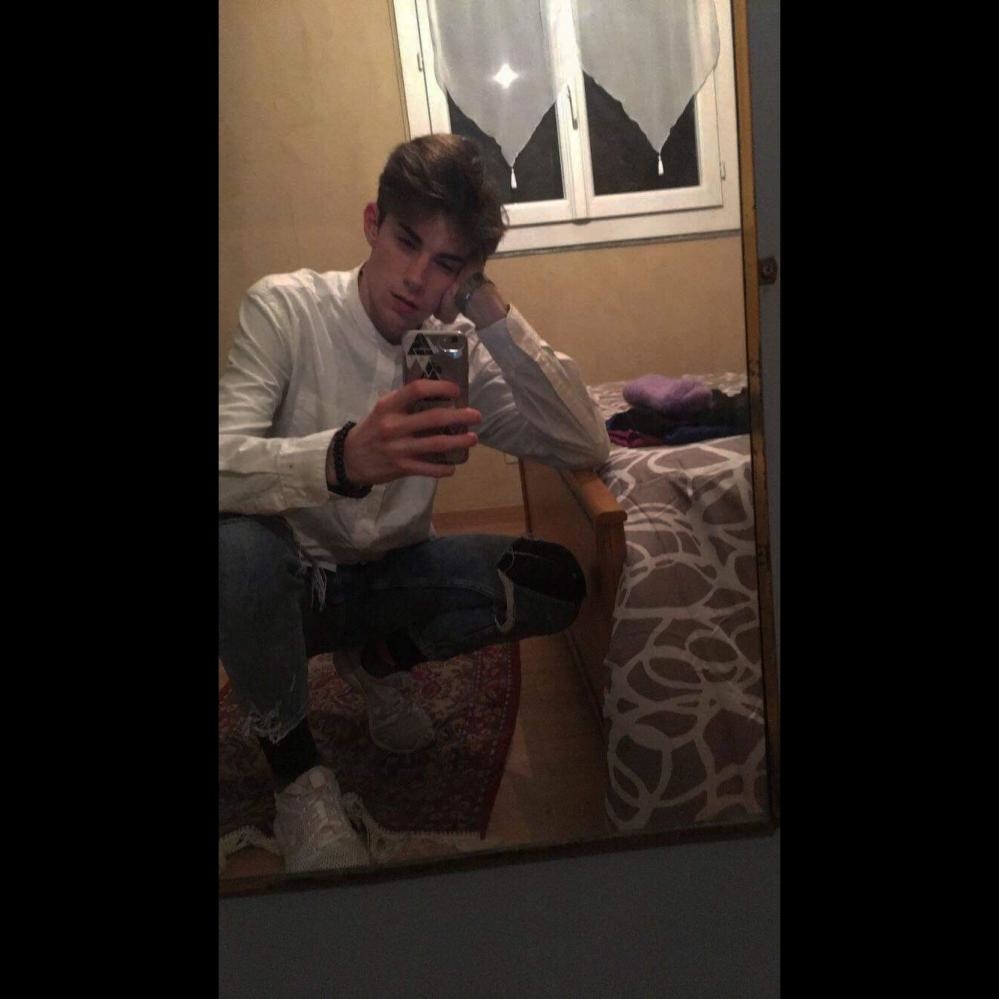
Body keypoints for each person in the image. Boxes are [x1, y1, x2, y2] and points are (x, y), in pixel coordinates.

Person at [219, 134, 610, 873]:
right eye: (407, 242)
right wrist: (340, 459)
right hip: (296, 588)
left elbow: (582, 441)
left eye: (447, 264)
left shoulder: (452, 345)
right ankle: (298, 777)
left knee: (552, 580)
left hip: (396, 577)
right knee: (232, 549)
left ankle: (376, 663)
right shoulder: (286, 309)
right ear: (373, 222)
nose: (416, 277)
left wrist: (487, 306)